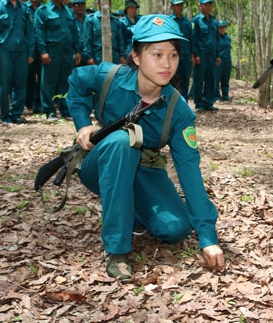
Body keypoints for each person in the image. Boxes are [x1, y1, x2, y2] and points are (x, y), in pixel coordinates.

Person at [65, 14, 225, 280]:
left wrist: (208, 237)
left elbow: (189, 172)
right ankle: (116, 249)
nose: (166, 64)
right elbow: (76, 82)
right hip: (99, 164)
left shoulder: (179, 111)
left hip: (144, 170)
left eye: (173, 55)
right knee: (121, 141)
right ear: (137, 57)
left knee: (175, 228)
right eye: (157, 54)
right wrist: (83, 124)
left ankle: (131, 211)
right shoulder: (110, 77)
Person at [0, 0, 35, 124]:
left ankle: (16, 114)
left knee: (21, 84)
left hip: (21, 51)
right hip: (4, 51)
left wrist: (30, 52)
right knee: (4, 85)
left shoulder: (23, 7)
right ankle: (5, 115)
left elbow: (29, 31)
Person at [33, 0, 81, 121]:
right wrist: (43, 51)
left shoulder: (68, 11)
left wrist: (77, 50)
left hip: (67, 53)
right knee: (49, 83)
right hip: (51, 52)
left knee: (66, 82)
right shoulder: (43, 11)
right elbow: (39, 32)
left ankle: (65, 110)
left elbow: (74, 32)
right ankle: (49, 111)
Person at [191, 0, 220, 112]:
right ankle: (199, 103)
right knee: (198, 80)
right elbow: (193, 38)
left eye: (209, 5)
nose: (208, 7)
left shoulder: (214, 22)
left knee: (211, 79)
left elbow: (217, 39)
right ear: (200, 6)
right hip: (201, 55)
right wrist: (195, 54)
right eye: (205, 5)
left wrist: (218, 55)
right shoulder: (196, 21)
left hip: (212, 55)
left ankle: (208, 102)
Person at [83, 0, 126, 65]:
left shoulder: (115, 21)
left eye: (109, 1)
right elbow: (87, 40)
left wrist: (122, 55)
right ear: (98, 3)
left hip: (114, 58)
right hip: (97, 58)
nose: (107, 3)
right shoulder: (91, 20)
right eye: (104, 1)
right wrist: (89, 57)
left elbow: (120, 40)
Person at [25, 0, 46, 114]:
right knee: (28, 78)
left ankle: (39, 105)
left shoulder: (45, 9)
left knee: (42, 79)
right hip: (27, 50)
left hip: (42, 50)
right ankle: (28, 103)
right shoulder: (23, 8)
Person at [168, 0, 193, 99]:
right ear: (172, 6)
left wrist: (192, 55)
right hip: (173, 57)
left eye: (181, 5)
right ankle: (172, 106)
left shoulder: (187, 22)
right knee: (173, 81)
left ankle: (184, 105)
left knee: (185, 81)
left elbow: (191, 40)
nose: (180, 7)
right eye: (177, 5)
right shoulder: (168, 21)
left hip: (186, 58)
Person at [215, 20, 232, 102]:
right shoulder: (215, 38)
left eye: (223, 27)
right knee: (216, 78)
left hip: (227, 61)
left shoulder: (228, 38)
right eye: (220, 27)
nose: (222, 29)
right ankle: (216, 96)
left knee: (225, 79)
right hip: (219, 61)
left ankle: (225, 95)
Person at [71, 0, 87, 65]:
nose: (80, 7)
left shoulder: (89, 20)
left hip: (87, 55)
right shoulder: (70, 20)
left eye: (82, 5)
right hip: (74, 55)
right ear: (73, 6)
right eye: (77, 5)